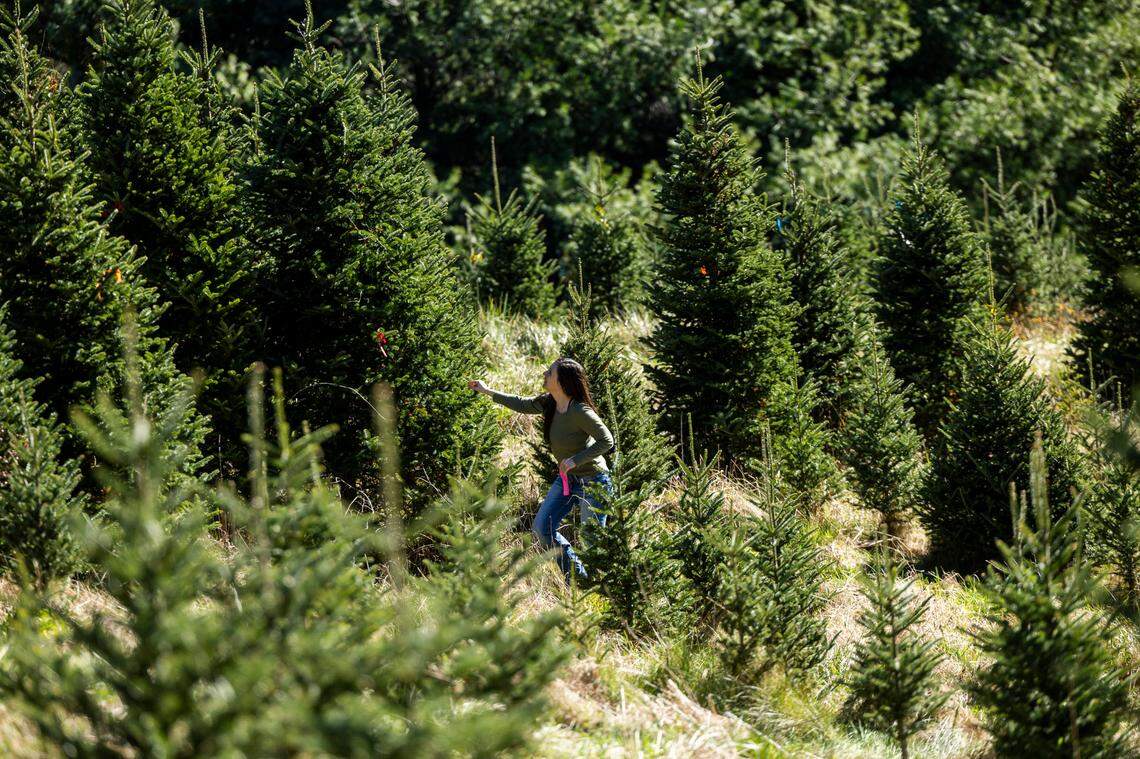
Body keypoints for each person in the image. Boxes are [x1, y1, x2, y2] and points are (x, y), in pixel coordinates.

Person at [469, 358, 614, 580]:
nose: (545, 374)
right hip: (568, 480)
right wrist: (487, 391)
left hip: (594, 481)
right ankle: (578, 579)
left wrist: (576, 460)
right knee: (542, 530)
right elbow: (520, 404)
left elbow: (607, 440)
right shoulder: (549, 403)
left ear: (562, 381)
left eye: (550, 372)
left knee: (591, 542)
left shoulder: (580, 411)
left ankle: (602, 591)